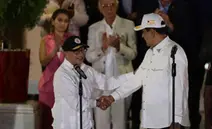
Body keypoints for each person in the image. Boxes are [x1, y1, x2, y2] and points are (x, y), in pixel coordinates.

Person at [98, 13, 190, 129]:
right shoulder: (150, 53)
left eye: (144, 32)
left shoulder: (175, 52)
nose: (142, 36)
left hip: (167, 123)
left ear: (152, 32)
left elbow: (180, 88)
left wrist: (176, 121)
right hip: (150, 121)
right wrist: (112, 97)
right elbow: (137, 79)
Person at [52, 36, 133, 129]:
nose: (81, 55)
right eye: (76, 52)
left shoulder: (86, 69)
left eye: (82, 50)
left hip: (86, 125)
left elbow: (108, 83)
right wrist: (97, 103)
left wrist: (134, 75)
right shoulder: (62, 74)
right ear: (66, 53)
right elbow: (77, 103)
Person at [86, 0, 137, 129]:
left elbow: (133, 54)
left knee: (120, 122)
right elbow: (89, 56)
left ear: (117, 6)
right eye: (105, 6)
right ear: (100, 8)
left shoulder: (128, 24)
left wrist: (119, 47)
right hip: (100, 81)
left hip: (121, 79)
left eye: (112, 5)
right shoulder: (94, 28)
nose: (109, 9)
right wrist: (102, 49)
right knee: (101, 122)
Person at [38, 9, 72, 129]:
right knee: (47, 122)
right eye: (59, 20)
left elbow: (79, 60)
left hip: (67, 87)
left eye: (66, 21)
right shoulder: (45, 40)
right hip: (48, 87)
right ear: (53, 22)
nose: (62, 23)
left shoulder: (72, 40)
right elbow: (42, 61)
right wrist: (52, 53)